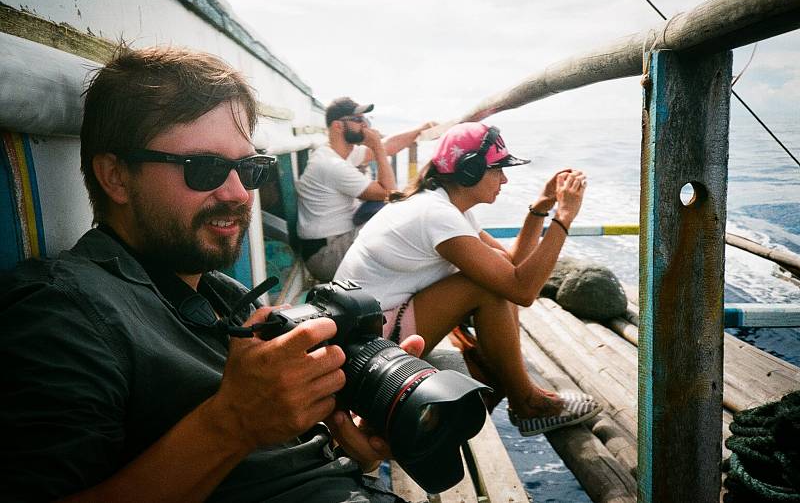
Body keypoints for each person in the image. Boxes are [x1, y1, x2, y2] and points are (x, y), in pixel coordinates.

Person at [0, 46, 423, 502]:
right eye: (205, 168)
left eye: (250, 168)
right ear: (116, 177)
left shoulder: (221, 291)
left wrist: (347, 443)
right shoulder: (64, 313)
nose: (239, 193)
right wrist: (231, 424)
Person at [335, 122, 602, 436]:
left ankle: (521, 394)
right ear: (470, 170)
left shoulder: (443, 206)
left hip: (363, 339)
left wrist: (540, 208)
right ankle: (527, 402)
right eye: (497, 169)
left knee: (493, 281)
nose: (504, 178)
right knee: (485, 288)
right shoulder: (437, 215)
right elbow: (522, 289)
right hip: (368, 354)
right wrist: (565, 218)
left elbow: (510, 263)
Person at [295, 97, 434, 281]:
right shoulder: (331, 165)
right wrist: (376, 145)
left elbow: (389, 146)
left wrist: (419, 130)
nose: (365, 126)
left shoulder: (338, 153)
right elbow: (389, 193)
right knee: (394, 216)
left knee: (400, 219)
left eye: (365, 120)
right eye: (358, 120)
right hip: (325, 257)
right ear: (338, 126)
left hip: (336, 242)